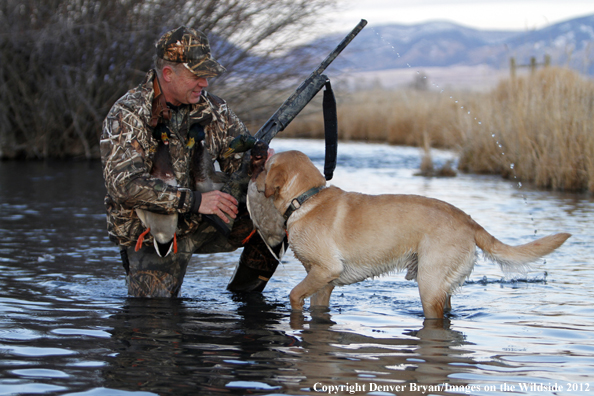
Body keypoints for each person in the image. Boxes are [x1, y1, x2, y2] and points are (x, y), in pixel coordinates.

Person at [100, 26, 280, 297]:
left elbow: (239, 165)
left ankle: (247, 301)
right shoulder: (127, 114)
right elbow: (124, 185)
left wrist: (261, 166)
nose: (204, 83)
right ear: (169, 74)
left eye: (206, 75)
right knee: (154, 319)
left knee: (281, 213)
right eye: (197, 75)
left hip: (207, 222)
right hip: (153, 234)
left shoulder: (215, 110)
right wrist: (195, 201)